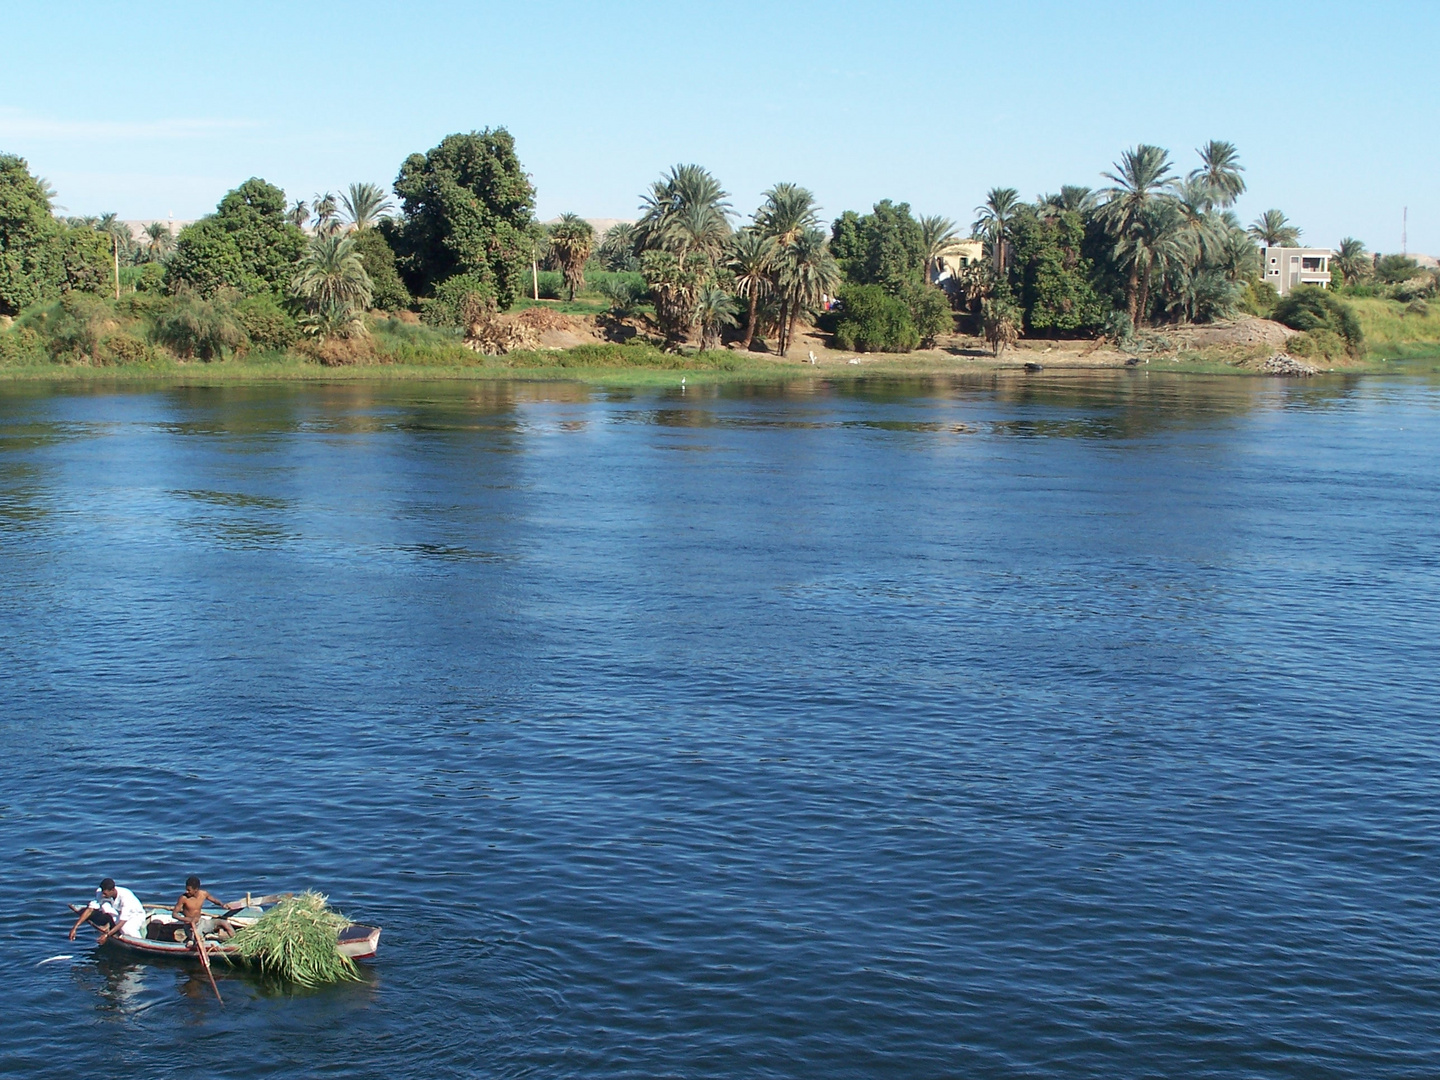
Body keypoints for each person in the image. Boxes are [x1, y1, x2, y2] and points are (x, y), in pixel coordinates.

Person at [69, 878, 146, 944]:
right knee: (104, 905)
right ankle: (109, 924)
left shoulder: (126, 897)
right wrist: (75, 927)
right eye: (102, 893)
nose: (103, 895)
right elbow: (90, 909)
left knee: (126, 929)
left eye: (105, 894)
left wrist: (107, 935)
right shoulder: (101, 892)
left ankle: (140, 942)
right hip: (118, 911)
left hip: (135, 915)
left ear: (112, 890)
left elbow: (122, 921)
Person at [172, 876, 236, 942]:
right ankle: (208, 938)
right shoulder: (183, 898)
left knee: (225, 923)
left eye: (189, 890)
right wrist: (187, 919)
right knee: (199, 939)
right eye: (186, 889)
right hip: (191, 927)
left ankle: (235, 940)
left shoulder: (203, 894)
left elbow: (214, 900)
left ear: (196, 890)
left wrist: (222, 904)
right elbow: (174, 914)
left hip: (202, 922)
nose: (186, 892)